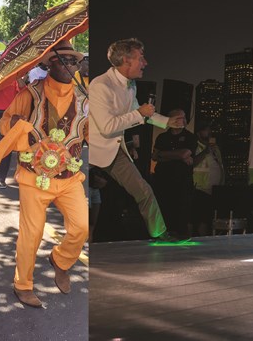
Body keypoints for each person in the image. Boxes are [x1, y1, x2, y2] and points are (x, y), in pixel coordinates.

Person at [0, 39, 89, 308]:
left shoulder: (85, 98)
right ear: (50, 63)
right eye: (64, 60)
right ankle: (23, 284)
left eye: (74, 61)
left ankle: (60, 259)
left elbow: (90, 134)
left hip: (69, 179)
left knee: (81, 227)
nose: (71, 65)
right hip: (34, 178)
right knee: (31, 234)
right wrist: (23, 127)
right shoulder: (30, 94)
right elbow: (4, 123)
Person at [88, 38, 178, 242]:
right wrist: (138, 113)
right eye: (141, 58)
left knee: (144, 190)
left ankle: (160, 233)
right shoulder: (100, 85)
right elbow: (107, 126)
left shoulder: (130, 85)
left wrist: (167, 122)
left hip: (115, 150)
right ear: (126, 60)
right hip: (91, 151)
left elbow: (140, 113)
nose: (145, 62)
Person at [152, 109, 195, 236]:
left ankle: (181, 235)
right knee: (163, 209)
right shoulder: (162, 137)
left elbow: (184, 154)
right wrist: (177, 155)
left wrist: (162, 155)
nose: (184, 120)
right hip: (163, 180)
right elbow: (155, 156)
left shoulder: (190, 137)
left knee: (181, 211)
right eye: (180, 118)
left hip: (182, 181)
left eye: (184, 117)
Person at [0, 58, 26, 189]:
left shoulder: (15, 77)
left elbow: (22, 91)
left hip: (9, 116)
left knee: (7, 146)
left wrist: (18, 75)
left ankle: (1, 177)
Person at [191, 121, 225, 237]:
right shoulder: (195, 146)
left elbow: (220, 166)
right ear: (199, 133)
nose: (209, 132)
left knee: (209, 218)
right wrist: (205, 151)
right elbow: (192, 163)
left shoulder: (215, 148)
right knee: (201, 219)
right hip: (200, 188)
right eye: (206, 130)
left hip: (215, 190)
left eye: (209, 130)